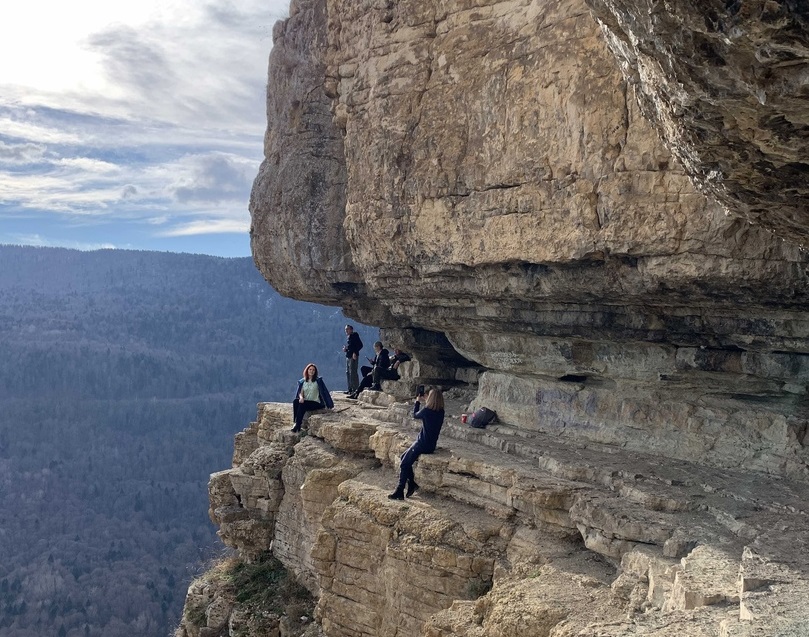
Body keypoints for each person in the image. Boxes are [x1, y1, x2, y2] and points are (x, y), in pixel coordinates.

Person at [388, 388, 445, 500]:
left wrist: (418, 401)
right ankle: (412, 484)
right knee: (404, 456)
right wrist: (427, 400)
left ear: (431, 398)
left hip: (422, 444)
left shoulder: (426, 411)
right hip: (430, 445)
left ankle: (400, 490)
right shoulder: (441, 412)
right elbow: (432, 407)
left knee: (404, 464)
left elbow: (415, 415)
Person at [291, 363, 334, 432]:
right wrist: (301, 397)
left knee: (302, 405)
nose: (311, 371)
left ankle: (298, 425)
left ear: (315, 372)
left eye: (313, 370)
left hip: (316, 402)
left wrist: (329, 404)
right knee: (295, 401)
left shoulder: (318, 381)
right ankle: (296, 422)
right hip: (306, 401)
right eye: (310, 369)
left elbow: (325, 392)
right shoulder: (303, 381)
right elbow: (300, 392)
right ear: (307, 370)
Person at [343, 325, 363, 393]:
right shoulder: (349, 337)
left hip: (353, 356)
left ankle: (355, 389)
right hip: (348, 356)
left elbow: (360, 345)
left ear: (351, 329)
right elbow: (351, 346)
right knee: (348, 372)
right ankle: (350, 389)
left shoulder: (355, 335)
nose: (346, 331)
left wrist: (355, 352)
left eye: (347, 329)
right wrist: (346, 349)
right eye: (345, 330)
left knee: (353, 372)